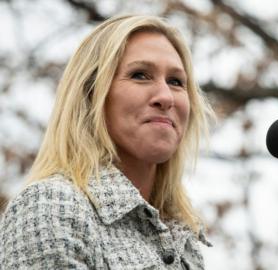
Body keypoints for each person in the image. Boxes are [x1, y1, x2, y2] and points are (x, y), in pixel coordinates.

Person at [0, 14, 214, 269]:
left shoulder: (184, 239)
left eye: (176, 82)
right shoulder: (51, 207)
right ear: (91, 95)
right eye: (140, 75)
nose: (166, 96)